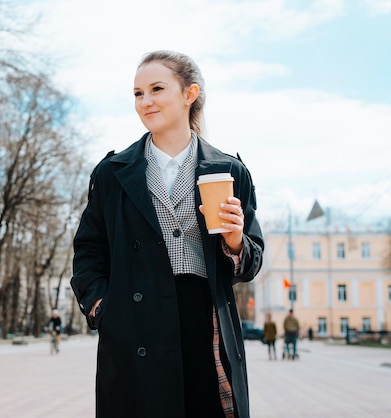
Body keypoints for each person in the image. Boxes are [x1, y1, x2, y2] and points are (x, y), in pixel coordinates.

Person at [71, 50, 264, 418]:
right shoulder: (112, 173)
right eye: (137, 93)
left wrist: (236, 240)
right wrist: (104, 309)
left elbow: (251, 261)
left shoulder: (230, 171)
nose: (145, 101)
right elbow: (88, 252)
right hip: (135, 323)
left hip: (205, 323)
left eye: (157, 89)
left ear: (189, 94)